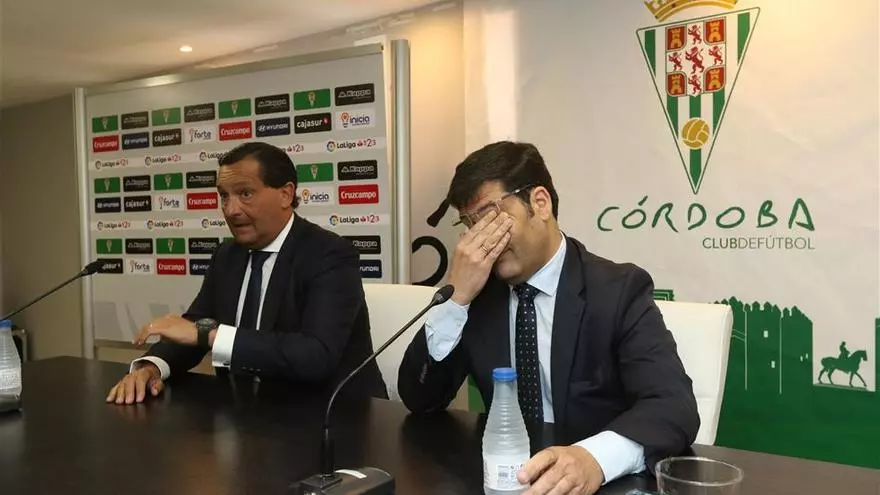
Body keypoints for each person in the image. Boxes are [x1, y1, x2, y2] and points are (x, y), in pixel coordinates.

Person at [397, 141, 699, 494]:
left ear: (540, 203)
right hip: (505, 481)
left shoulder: (618, 290)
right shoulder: (478, 296)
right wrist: (456, 299)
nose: (482, 239)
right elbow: (420, 399)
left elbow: (673, 406)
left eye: (490, 217)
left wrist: (594, 459)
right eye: (469, 224)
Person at [106, 141, 386, 404]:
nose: (231, 210)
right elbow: (195, 326)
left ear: (286, 194)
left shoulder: (329, 254)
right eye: (224, 196)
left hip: (332, 414)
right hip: (246, 413)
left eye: (245, 194)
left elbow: (316, 355)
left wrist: (210, 335)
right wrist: (151, 367)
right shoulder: (227, 255)